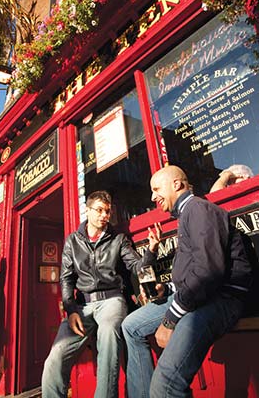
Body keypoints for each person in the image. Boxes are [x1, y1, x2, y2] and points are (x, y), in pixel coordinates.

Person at [122, 165, 253, 398]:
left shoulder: (199, 210)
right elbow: (193, 273)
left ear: (177, 185)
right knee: (130, 327)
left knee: (165, 386)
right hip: (198, 294)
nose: (152, 197)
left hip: (219, 298)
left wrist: (170, 319)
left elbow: (207, 274)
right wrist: (168, 288)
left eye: (156, 189)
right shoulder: (185, 216)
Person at [41, 190, 161, 398]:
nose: (104, 215)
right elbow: (66, 278)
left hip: (112, 300)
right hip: (82, 305)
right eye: (99, 210)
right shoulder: (73, 241)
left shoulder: (118, 239)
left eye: (107, 211)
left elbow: (136, 266)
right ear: (87, 211)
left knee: (107, 341)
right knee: (56, 356)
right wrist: (70, 310)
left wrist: (151, 250)